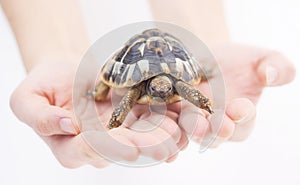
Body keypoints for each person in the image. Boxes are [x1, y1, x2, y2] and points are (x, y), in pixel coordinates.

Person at [1, 0, 295, 168]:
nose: (162, 91)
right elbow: (128, 98)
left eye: (167, 88)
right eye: (159, 88)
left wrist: (206, 96)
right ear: (150, 86)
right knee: (113, 94)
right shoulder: (139, 88)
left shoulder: (176, 86)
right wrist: (57, 52)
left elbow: (186, 89)